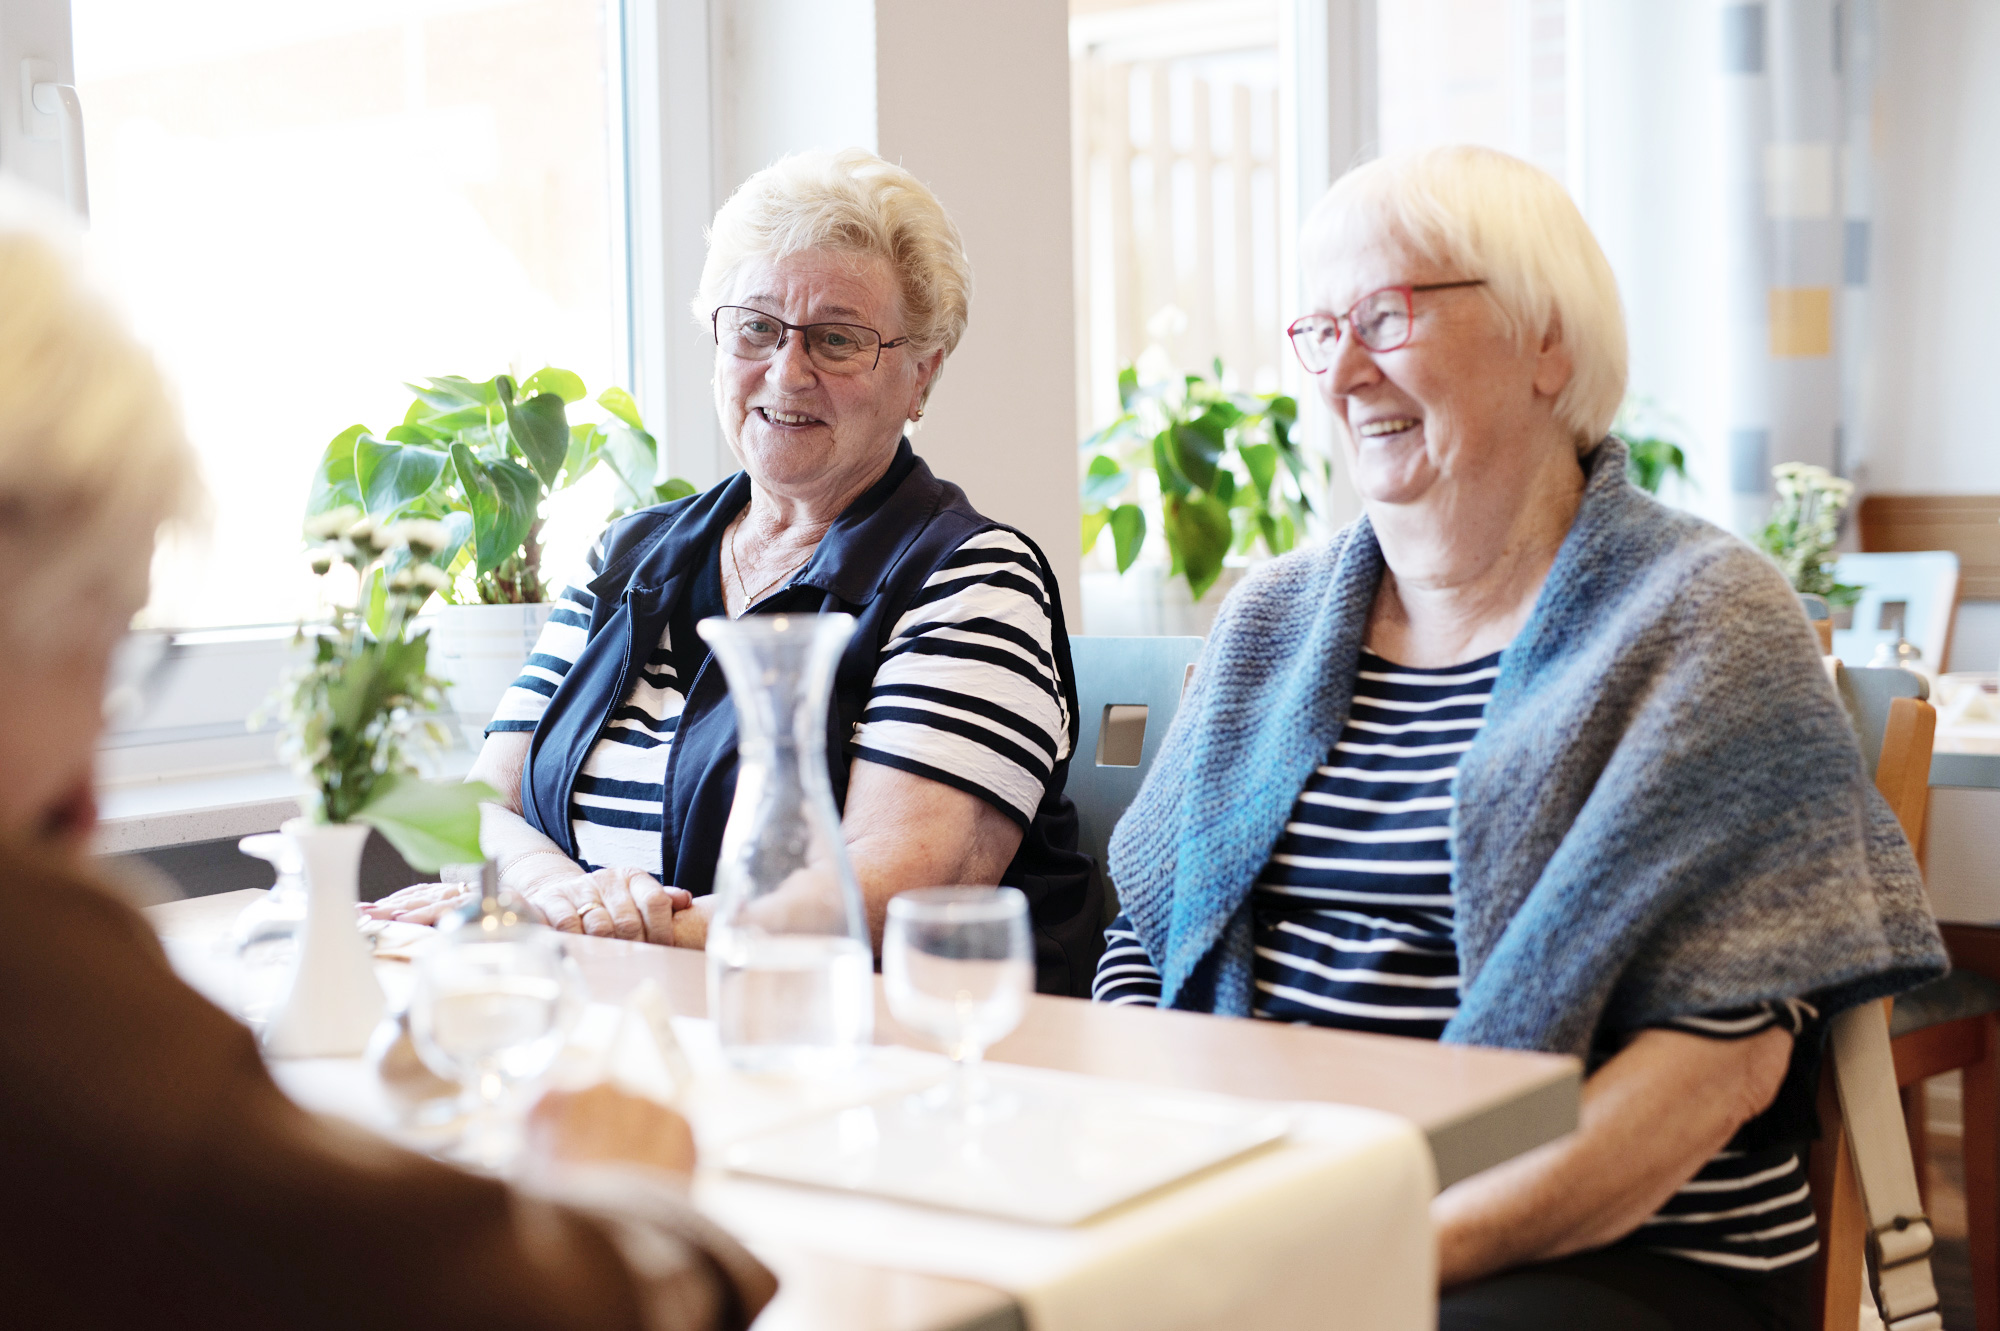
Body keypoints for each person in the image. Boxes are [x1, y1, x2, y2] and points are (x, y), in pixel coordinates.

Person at [1093, 145, 1947, 1330]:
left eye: (1385, 316)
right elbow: (1146, 939)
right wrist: (1157, 1179)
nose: (1341, 368)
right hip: (1274, 1205)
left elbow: (1712, 1069)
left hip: (1614, 1249)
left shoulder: (1699, 617)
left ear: (1546, 340)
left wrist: (1368, 1247)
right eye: (1317, 327)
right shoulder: (1267, 623)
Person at [0, 182, 775, 1330]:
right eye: (100, 649)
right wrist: (628, 1188)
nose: (98, 748)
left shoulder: (957, 571)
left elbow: (872, 888)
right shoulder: (46, 986)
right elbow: (544, 1300)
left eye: (837, 336)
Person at [369, 148, 1102, 995]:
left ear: (921, 376)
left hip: (880, 1055)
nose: (788, 372)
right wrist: (554, 898)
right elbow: (480, 810)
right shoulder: (629, 555)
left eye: (838, 338)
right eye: (755, 326)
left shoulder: (972, 579)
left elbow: (887, 897)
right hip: (625, 1013)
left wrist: (605, 928)